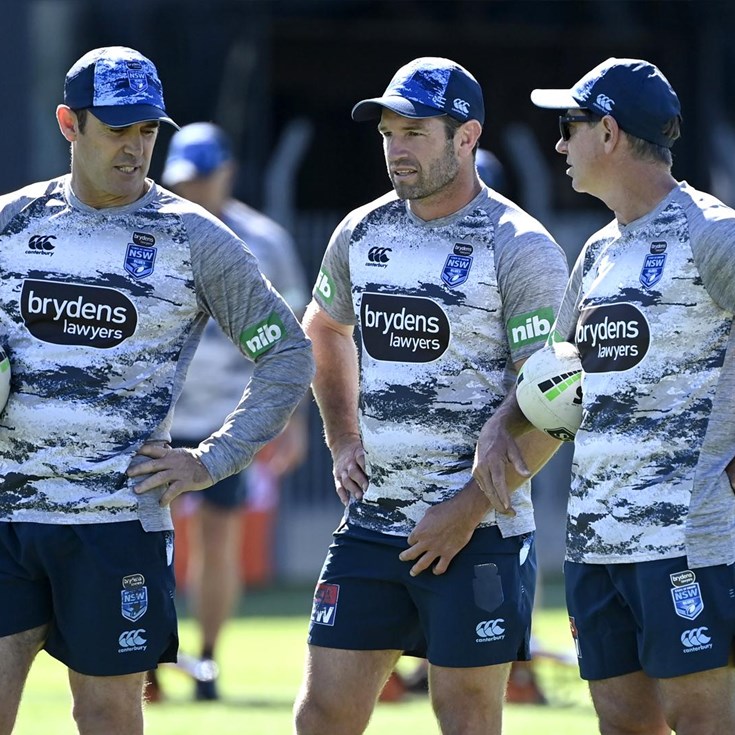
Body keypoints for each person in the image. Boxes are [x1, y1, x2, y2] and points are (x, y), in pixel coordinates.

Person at [0, 46, 313, 735]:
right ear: (68, 123)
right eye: (116, 129)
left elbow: (289, 353)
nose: (135, 148)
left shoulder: (197, 239)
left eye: (147, 130)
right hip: (7, 515)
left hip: (116, 523)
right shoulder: (11, 224)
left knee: (107, 714)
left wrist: (211, 457)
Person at [292, 57, 568, 735]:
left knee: (467, 718)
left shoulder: (519, 246)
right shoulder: (361, 231)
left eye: (414, 131)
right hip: (372, 522)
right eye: (387, 132)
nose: (396, 148)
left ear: (466, 136)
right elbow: (323, 327)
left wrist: (467, 509)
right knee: (322, 713)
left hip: (481, 534)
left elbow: (558, 399)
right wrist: (342, 437)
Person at [485, 57, 735, 734]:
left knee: (704, 722)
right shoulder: (596, 251)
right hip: (595, 545)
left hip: (687, 542)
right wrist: (501, 424)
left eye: (569, 127)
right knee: (622, 726)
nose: (559, 144)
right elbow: (552, 371)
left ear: (609, 132)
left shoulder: (713, 233)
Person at [153, 122, 310, 701]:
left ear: (226, 174)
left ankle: (209, 661)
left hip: (229, 417)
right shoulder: (153, 225)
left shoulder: (263, 240)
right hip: (154, 416)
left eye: (200, 179)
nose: (191, 191)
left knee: (219, 541)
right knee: (142, 540)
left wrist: (291, 421)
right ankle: (145, 656)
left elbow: (293, 340)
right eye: (182, 181)